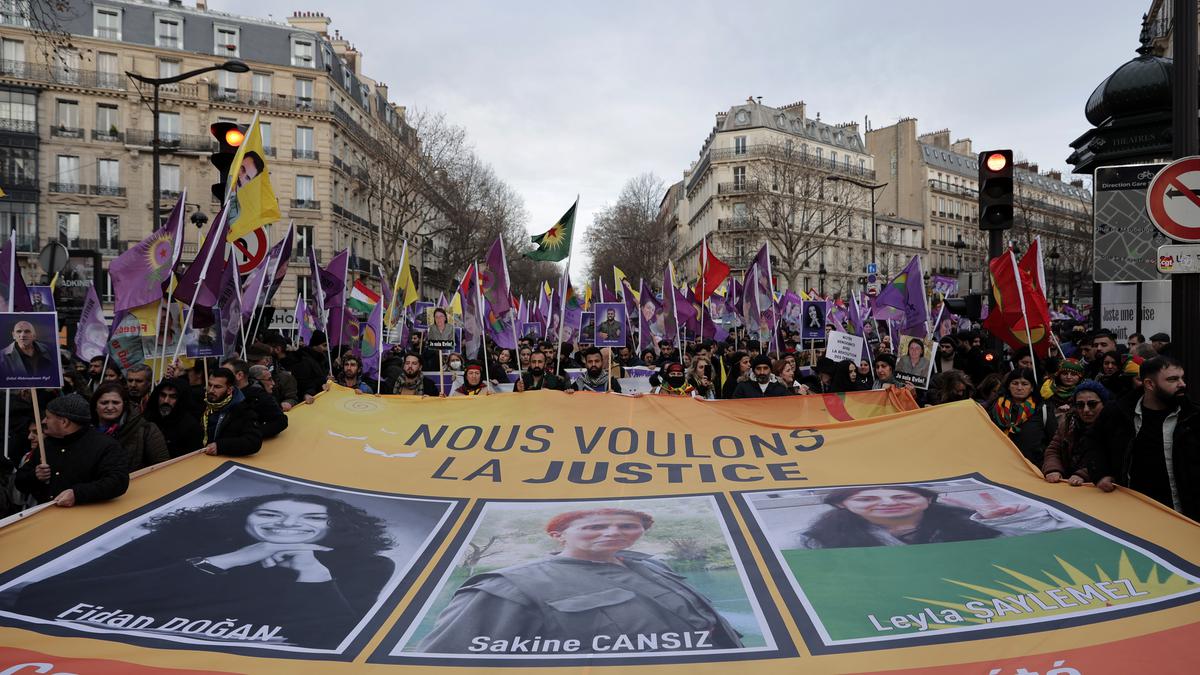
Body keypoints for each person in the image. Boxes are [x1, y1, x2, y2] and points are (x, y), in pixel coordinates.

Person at [9, 493, 395, 650]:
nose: (286, 526)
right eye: (270, 514)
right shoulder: (177, 543)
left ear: (334, 526)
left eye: (311, 518)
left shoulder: (365, 565)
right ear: (243, 518)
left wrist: (312, 572)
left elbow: (333, 640)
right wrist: (224, 562)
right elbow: (42, 597)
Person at [417, 507, 743, 653]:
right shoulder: (507, 588)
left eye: (627, 525)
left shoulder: (654, 568)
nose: (613, 532)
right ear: (559, 535)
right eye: (595, 526)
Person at [779, 486, 1068, 549]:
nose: (888, 503)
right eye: (867, 499)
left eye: (902, 496)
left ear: (927, 500)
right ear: (844, 506)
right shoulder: (814, 541)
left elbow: (1058, 539)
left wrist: (1005, 521)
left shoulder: (976, 523)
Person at [1085, 356, 1197, 518]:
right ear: (1149, 384)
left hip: (1183, 513)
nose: (1182, 384)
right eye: (1173, 379)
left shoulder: (1193, 416)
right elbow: (1094, 439)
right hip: (1134, 511)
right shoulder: (1119, 412)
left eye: (1182, 378)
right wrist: (1100, 473)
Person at [14, 394, 129, 507]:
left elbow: (118, 481)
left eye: (48, 417)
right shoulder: (46, 444)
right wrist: (34, 475)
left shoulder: (105, 446)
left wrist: (77, 494)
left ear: (64, 422)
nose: (44, 421)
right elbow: (19, 481)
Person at [91, 381, 169, 473]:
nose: (110, 407)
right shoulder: (85, 430)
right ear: (95, 405)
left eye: (115, 403)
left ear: (124, 405)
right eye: (104, 403)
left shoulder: (146, 429)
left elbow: (162, 467)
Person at [1043, 379, 1109, 486]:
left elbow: (1111, 459)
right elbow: (1053, 450)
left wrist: (1083, 474)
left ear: (1104, 403)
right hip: (1066, 484)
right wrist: (1053, 469)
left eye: (1092, 404)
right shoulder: (1068, 423)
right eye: (1080, 405)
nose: (1086, 410)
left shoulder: (1114, 426)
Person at [987, 368, 1056, 466]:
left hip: (1033, 466)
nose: (1019, 388)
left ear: (1032, 387)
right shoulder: (995, 408)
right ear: (1008, 386)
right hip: (999, 464)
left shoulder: (1043, 409)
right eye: (1015, 383)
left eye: (1024, 384)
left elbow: (1053, 441)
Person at [200, 368, 263, 458]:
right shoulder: (203, 401)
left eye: (217, 387)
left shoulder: (242, 410)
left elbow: (253, 441)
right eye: (210, 385)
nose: (211, 390)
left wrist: (220, 446)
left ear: (229, 390)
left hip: (223, 461)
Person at [221, 358, 289, 438]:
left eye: (225, 373)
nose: (220, 376)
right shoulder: (221, 392)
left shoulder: (259, 397)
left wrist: (251, 434)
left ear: (239, 375)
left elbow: (280, 421)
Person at [144, 378, 204, 458]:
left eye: (172, 397)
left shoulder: (191, 427)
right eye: (163, 395)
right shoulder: (147, 418)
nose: (166, 401)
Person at [1040, 358, 1084, 423]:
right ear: (1059, 374)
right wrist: (1056, 411)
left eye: (1073, 374)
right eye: (1065, 373)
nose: (1069, 377)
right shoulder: (1048, 389)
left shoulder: (1084, 391)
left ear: (1080, 376)